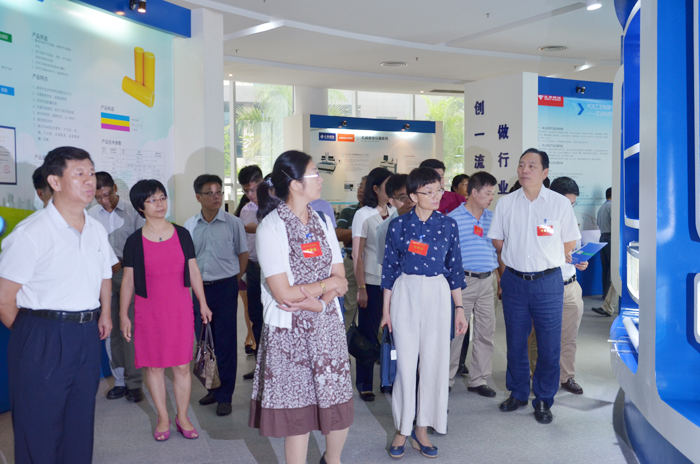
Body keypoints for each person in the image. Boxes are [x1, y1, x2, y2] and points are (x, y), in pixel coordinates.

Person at [0, 146, 116, 463]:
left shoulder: (95, 228)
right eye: (79, 174)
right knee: (38, 425)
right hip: (42, 335)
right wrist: (35, 337)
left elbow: (105, 273)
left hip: (86, 335)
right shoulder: (31, 233)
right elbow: (4, 299)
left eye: (91, 173)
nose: (90, 180)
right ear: (55, 181)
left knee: (79, 422)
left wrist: (105, 313)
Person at [248, 150, 352, 464]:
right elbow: (283, 293)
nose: (320, 179)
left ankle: (332, 460)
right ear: (294, 184)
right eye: (314, 174)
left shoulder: (322, 220)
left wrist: (319, 303)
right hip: (290, 334)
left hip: (327, 326)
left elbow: (342, 279)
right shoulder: (270, 227)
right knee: (298, 414)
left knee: (337, 403)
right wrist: (326, 287)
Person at [381, 167, 468, 458]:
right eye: (428, 192)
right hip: (405, 292)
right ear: (413, 195)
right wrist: (385, 311)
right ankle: (402, 428)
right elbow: (389, 269)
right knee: (405, 364)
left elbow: (455, 268)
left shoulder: (448, 225)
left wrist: (459, 308)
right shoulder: (398, 225)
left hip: (438, 293)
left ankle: (422, 429)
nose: (435, 196)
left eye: (438, 190)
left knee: (434, 362)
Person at [488, 148, 580, 424]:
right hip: (515, 281)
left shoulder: (559, 204)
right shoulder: (506, 203)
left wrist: (546, 254)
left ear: (544, 172)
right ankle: (517, 392)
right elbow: (498, 241)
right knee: (515, 342)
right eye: (521, 165)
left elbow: (570, 242)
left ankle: (543, 398)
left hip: (548, 282)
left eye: (531, 165)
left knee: (549, 345)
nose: (524, 170)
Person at [120, 179, 213, 441]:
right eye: (152, 200)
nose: (160, 204)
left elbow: (194, 271)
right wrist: (123, 314)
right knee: (154, 367)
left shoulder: (182, 234)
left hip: (179, 309)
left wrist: (203, 303)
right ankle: (163, 417)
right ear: (141, 207)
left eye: (162, 197)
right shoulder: (134, 242)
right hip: (149, 312)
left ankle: (182, 417)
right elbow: (128, 281)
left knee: (182, 366)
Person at [184, 174, 249, 416]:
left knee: (225, 342)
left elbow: (243, 253)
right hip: (200, 290)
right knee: (204, 343)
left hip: (225, 288)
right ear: (198, 197)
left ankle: (225, 396)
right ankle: (212, 387)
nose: (216, 197)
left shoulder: (233, 223)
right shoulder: (190, 225)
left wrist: (233, 279)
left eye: (219, 192)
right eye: (209, 193)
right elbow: (188, 260)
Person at [88, 171, 145, 403]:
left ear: (114, 189)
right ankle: (119, 381)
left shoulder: (133, 212)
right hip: (103, 277)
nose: (104, 201)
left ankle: (135, 383)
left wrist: (125, 265)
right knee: (110, 327)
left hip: (128, 274)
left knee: (129, 327)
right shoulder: (90, 215)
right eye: (98, 197)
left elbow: (143, 244)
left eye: (106, 195)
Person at [530, 177, 589, 395]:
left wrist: (581, 261)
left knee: (569, 336)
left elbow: (575, 251)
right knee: (538, 335)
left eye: (573, 204)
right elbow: (537, 251)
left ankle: (566, 376)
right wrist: (559, 255)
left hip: (571, 285)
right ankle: (536, 375)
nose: (569, 208)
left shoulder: (572, 220)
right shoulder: (542, 219)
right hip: (546, 285)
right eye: (567, 203)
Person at [447, 171, 499, 398]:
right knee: (456, 333)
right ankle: (446, 379)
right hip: (462, 282)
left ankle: (479, 379)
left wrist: (500, 278)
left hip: (488, 280)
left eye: (493, 193)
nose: (491, 198)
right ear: (474, 192)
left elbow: (498, 249)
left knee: (486, 332)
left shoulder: (492, 218)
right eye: (488, 193)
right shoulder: (452, 219)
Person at [351, 167, 395, 402]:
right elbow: (356, 255)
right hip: (371, 282)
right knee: (368, 334)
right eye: (389, 186)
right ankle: (365, 383)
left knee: (393, 334)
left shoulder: (395, 211)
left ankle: (389, 378)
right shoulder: (363, 214)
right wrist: (361, 288)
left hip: (394, 283)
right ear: (376, 188)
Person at [239, 165, 265, 380]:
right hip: (253, 268)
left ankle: (275, 367)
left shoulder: (277, 206)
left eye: (254, 189)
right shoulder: (246, 209)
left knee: (274, 318)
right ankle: (260, 365)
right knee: (255, 316)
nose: (250, 194)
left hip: (272, 271)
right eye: (246, 191)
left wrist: (259, 229)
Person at [335, 176, 366, 330]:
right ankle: (345, 341)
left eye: (364, 187)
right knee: (349, 306)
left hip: (372, 265)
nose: (360, 190)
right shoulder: (348, 211)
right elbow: (338, 234)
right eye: (360, 186)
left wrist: (352, 236)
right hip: (350, 263)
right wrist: (361, 230)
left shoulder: (383, 213)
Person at [235, 194, 257, 352]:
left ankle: (252, 337)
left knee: (254, 306)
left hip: (257, 265)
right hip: (244, 266)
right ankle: (252, 337)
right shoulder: (239, 220)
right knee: (248, 306)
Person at [376, 173, 413, 265]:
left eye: (411, 194)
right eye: (403, 197)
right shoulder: (385, 228)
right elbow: (384, 262)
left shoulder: (431, 220)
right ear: (392, 202)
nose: (409, 201)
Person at [592, 187, 613, 315]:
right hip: (611, 237)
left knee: (605, 268)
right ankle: (608, 296)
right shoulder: (612, 206)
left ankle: (605, 294)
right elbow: (615, 223)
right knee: (612, 268)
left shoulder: (601, 208)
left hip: (602, 237)